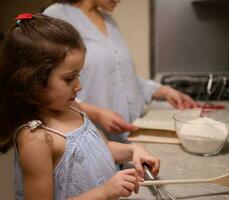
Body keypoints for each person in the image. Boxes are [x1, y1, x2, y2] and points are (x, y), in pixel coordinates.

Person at [0, 13, 160, 199]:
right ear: (33, 81)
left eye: (79, 75)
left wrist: (131, 151)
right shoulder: (36, 139)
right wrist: (104, 192)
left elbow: (97, 151)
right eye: (69, 78)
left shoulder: (73, 107)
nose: (79, 86)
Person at [43, 0, 198, 143]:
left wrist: (164, 91)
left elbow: (121, 77)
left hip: (128, 136)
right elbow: (48, 86)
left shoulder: (109, 21)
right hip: (89, 137)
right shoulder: (56, 15)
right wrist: (97, 113)